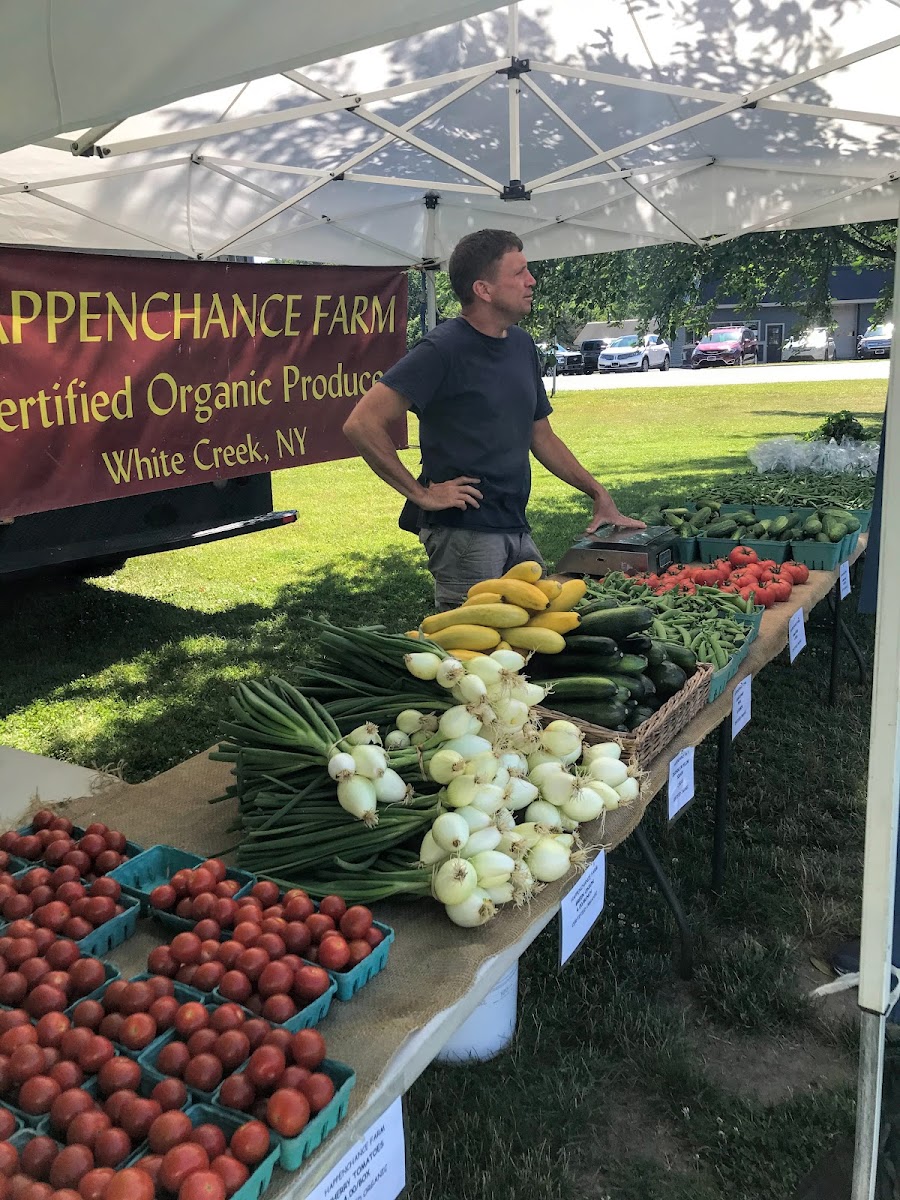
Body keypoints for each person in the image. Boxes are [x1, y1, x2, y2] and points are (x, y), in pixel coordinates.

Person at [343, 229, 642, 609]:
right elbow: (361, 424)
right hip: (465, 533)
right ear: (483, 289)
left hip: (514, 523)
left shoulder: (520, 344)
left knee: (537, 631)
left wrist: (598, 494)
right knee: (470, 659)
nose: (531, 281)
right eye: (519, 273)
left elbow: (541, 435)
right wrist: (421, 494)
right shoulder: (442, 349)